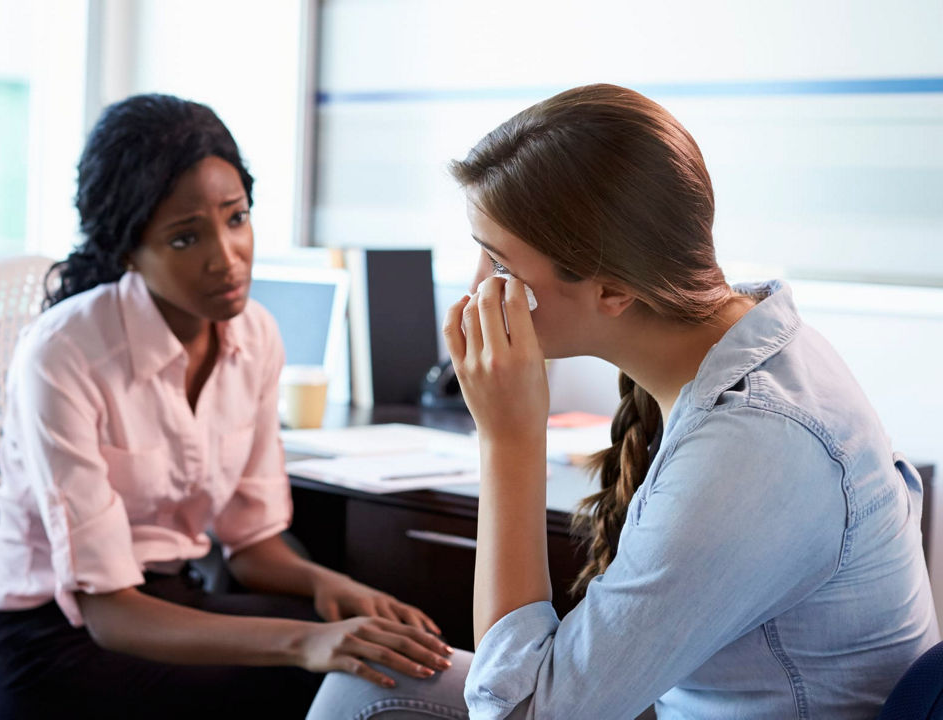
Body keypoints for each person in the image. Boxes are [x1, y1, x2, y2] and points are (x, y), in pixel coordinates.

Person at [307, 83, 938, 719]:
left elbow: (522, 713)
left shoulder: (754, 446)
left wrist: (508, 442)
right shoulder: (739, 341)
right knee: (367, 679)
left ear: (612, 290)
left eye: (499, 266)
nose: (476, 293)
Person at [0, 94, 453, 719]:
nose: (227, 258)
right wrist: (306, 641)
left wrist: (336, 591)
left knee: (387, 661)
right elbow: (109, 614)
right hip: (58, 641)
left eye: (236, 218)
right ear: (128, 251)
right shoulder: (64, 354)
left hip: (176, 604)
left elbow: (252, 546)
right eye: (184, 238)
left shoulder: (255, 337)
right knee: (319, 677)